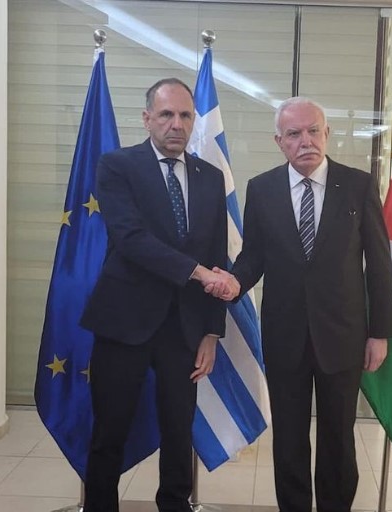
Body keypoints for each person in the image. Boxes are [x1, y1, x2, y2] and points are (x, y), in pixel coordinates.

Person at [212, 97, 392, 512]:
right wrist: (234, 282)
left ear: (327, 134)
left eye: (313, 131)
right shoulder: (262, 189)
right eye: (294, 134)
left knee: (338, 438)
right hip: (285, 336)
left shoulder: (359, 185)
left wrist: (380, 332)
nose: (305, 141)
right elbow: (254, 256)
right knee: (289, 439)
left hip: (344, 336)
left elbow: (380, 264)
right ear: (279, 141)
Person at [80, 78, 232, 512]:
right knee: (110, 430)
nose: (176, 124)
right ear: (147, 119)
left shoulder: (210, 177)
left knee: (179, 430)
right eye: (166, 114)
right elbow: (130, 238)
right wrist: (196, 272)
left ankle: (175, 505)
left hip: (184, 328)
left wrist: (211, 332)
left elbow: (216, 254)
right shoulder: (117, 166)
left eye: (185, 115)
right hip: (124, 322)